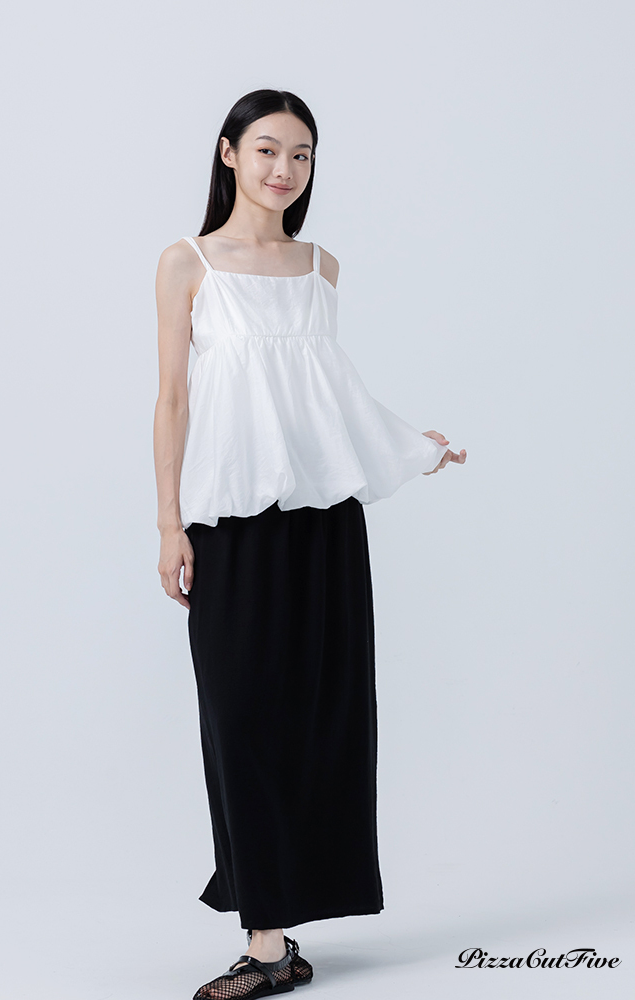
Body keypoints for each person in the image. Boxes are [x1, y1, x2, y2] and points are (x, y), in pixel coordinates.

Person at [153, 88, 467, 1000]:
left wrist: (408, 447)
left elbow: (326, 395)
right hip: (231, 525)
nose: (283, 169)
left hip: (324, 524)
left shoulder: (322, 266)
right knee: (241, 718)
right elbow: (173, 400)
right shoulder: (187, 263)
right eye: (266, 149)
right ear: (228, 154)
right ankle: (267, 929)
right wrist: (170, 523)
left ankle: (273, 944)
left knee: (324, 717)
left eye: (300, 154)